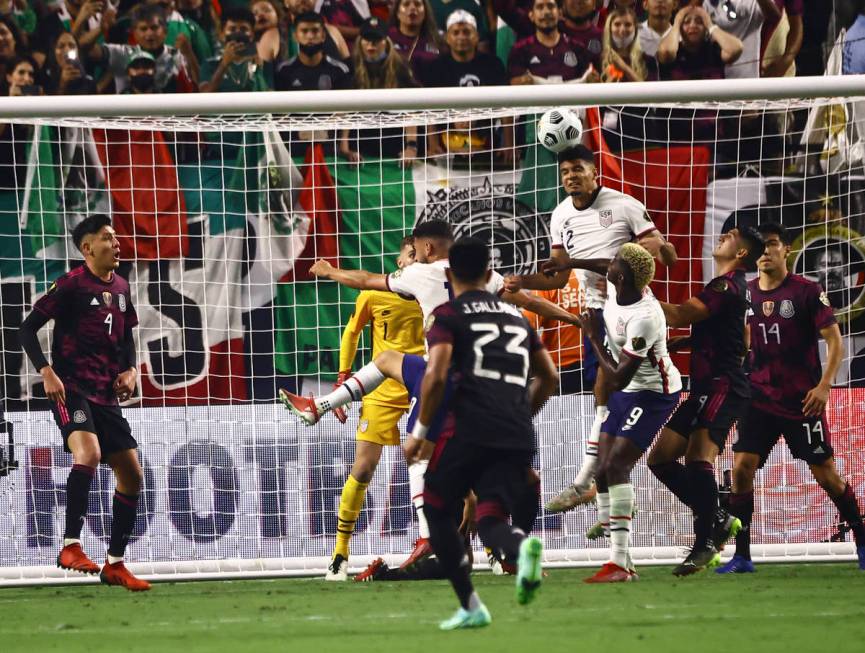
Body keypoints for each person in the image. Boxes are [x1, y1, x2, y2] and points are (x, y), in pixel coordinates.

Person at [279, 220, 578, 569]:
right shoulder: (493, 284)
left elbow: (364, 279)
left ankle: (432, 537)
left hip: (444, 378)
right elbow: (532, 310)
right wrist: (572, 319)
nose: (413, 256)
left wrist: (330, 270)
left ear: (429, 249)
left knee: (423, 451)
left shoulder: (422, 277)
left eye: (416, 249)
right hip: (494, 393)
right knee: (510, 476)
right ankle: (508, 550)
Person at [503, 144, 676, 515]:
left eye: (578, 169)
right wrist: (524, 282)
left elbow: (648, 254)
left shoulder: (624, 204)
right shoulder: (561, 214)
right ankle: (594, 492)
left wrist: (660, 247)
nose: (571, 176)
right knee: (605, 390)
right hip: (595, 311)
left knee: (620, 386)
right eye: (565, 171)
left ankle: (588, 484)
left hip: (629, 307)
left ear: (594, 171)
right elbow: (561, 275)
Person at [402, 237, 558, 630]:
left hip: (470, 428)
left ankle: (471, 605)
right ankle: (521, 547)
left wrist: (421, 430)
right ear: (490, 274)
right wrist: (523, 413)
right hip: (517, 430)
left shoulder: (447, 315)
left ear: (450, 274)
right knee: (489, 518)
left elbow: (435, 375)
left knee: (436, 507)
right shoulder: (516, 317)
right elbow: (550, 376)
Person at [717, 222, 865, 573]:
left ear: (786, 250)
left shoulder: (807, 291)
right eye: (761, 248)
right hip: (758, 399)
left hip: (802, 402)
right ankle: (742, 556)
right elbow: (743, 343)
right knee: (741, 469)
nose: (765, 253)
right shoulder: (745, 294)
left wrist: (825, 385)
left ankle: (862, 539)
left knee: (826, 475)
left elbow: (834, 340)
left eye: (772, 245)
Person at [17, 214, 149, 591]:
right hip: (70, 387)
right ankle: (70, 546)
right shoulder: (72, 284)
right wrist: (45, 371)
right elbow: (26, 329)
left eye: (117, 237)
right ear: (87, 247)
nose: (117, 243)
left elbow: (126, 338)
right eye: (108, 238)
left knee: (132, 475)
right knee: (87, 454)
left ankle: (115, 563)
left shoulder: (122, 287)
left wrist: (130, 370)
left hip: (106, 394)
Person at [646, 226, 764, 576]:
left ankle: (705, 542)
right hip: (704, 387)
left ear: (741, 252)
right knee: (660, 458)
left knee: (699, 458)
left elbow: (681, 314)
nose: (722, 237)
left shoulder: (725, 285)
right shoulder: (731, 289)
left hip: (722, 386)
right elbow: (735, 337)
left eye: (730, 236)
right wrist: (684, 346)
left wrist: (635, 292)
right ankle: (719, 516)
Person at [579, 243, 681, 583]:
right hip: (628, 391)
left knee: (616, 465)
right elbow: (605, 262)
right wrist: (570, 260)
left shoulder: (645, 318)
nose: (609, 264)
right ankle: (622, 560)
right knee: (601, 471)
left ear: (620, 275)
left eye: (615, 262)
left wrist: (593, 336)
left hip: (654, 393)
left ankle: (619, 564)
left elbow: (619, 374)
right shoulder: (618, 284)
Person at [326, 237, 425, 581]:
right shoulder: (373, 294)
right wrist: (342, 377)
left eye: (421, 254)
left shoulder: (435, 292)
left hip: (425, 385)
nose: (417, 259)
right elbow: (351, 332)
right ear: (400, 262)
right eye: (411, 254)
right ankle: (340, 552)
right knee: (364, 468)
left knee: (447, 466)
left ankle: (485, 548)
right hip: (382, 388)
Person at [423, 10, 514, 163]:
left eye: (466, 32)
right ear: (447, 38)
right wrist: (432, 144)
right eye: (456, 32)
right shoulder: (436, 67)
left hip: (488, 142)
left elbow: (506, 107)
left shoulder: (493, 64)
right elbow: (429, 109)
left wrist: (509, 144)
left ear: (477, 36)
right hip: (447, 144)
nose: (461, 37)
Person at [339, 16, 418, 166]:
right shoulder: (349, 67)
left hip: (394, 145)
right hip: (360, 145)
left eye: (377, 39)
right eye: (367, 39)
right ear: (359, 41)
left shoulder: (400, 67)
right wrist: (345, 149)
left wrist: (411, 147)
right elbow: (344, 110)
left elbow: (410, 110)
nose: (371, 44)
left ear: (386, 42)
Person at [85, 4, 196, 92]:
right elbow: (87, 50)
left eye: (154, 28)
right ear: (134, 33)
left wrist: (189, 54)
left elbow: (199, 83)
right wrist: (100, 29)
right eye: (143, 29)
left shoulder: (176, 55)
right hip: (128, 118)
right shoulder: (122, 53)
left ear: (165, 31)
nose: (149, 34)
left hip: (166, 118)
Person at [523, 270, 588, 394]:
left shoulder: (551, 280)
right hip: (596, 363)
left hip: (560, 367)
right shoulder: (603, 276)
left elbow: (528, 325)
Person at [509, 0, 595, 84]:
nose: (546, 12)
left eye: (551, 6)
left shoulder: (578, 48)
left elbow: (589, 84)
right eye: (540, 7)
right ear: (531, 15)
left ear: (560, 13)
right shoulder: (519, 50)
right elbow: (514, 85)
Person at [656, 4, 741, 81]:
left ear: (705, 28)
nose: (693, 26)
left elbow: (736, 49)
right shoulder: (673, 51)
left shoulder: (713, 49)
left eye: (699, 22)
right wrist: (677, 22)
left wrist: (710, 25)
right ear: (680, 28)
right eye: (686, 22)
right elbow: (666, 52)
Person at [199, 7, 270, 93]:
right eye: (232, 29)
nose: (238, 33)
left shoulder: (262, 63)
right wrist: (224, 65)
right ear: (221, 34)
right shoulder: (210, 64)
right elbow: (204, 94)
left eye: (244, 29)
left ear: (252, 35)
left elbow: (272, 95)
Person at [275, 11, 351, 90]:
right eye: (304, 31)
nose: (310, 36)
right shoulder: (284, 71)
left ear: (323, 36)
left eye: (315, 31)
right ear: (295, 36)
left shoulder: (339, 70)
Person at [387, 0, 442, 80]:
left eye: (417, 4)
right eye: (406, 4)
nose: (412, 8)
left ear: (425, 12)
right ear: (397, 13)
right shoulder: (387, 38)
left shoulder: (437, 40)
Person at [600, 6, 656, 81]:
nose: (622, 30)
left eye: (628, 25)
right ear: (609, 28)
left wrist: (625, 68)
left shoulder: (647, 60)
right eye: (617, 24)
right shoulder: (599, 58)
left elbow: (651, 90)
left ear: (635, 29)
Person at [40, 31, 97, 95]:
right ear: (53, 52)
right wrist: (62, 84)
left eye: (72, 46)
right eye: (61, 46)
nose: (67, 50)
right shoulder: (46, 79)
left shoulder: (89, 81)